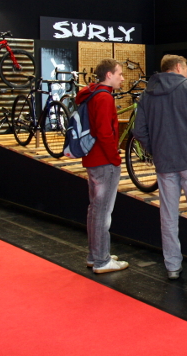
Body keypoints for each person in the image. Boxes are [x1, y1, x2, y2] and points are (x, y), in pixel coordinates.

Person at [133, 55, 187, 281]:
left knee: (168, 215)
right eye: (186, 67)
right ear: (179, 67)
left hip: (165, 163)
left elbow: (139, 130)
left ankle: (172, 266)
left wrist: (155, 149)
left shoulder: (147, 93)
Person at [76, 58, 129, 274]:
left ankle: (96, 254)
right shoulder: (104, 98)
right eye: (119, 74)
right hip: (103, 161)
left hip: (93, 158)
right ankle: (101, 260)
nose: (122, 78)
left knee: (95, 210)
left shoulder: (91, 94)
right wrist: (115, 158)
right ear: (109, 75)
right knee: (102, 212)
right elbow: (105, 132)